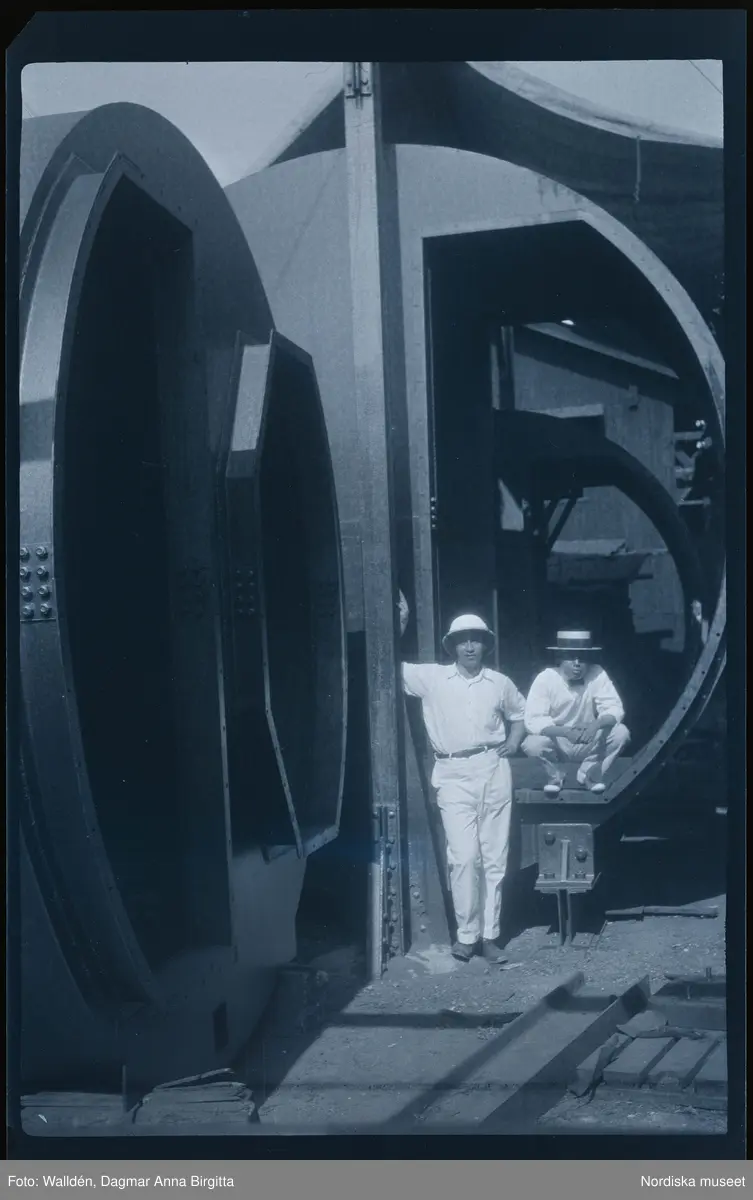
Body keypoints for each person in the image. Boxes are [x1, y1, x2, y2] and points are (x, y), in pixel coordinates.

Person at [398, 591, 526, 963]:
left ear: (485, 645)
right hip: (452, 773)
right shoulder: (432, 678)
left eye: (476, 640)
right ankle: (466, 935)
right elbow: (386, 663)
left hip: (493, 768)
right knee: (464, 857)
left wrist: (514, 741)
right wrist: (401, 622)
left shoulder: (499, 683)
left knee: (494, 857)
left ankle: (490, 937)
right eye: (462, 640)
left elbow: (520, 714)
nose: (469, 646)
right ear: (452, 646)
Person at [522, 630, 630, 797]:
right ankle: (555, 777)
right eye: (571, 657)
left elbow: (614, 708)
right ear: (559, 658)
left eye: (582, 658)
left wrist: (595, 725)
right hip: (558, 740)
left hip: (588, 738)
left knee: (621, 733)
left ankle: (590, 774)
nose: (577, 663)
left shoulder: (597, 673)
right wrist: (565, 732)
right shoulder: (545, 678)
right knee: (532, 743)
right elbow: (534, 720)